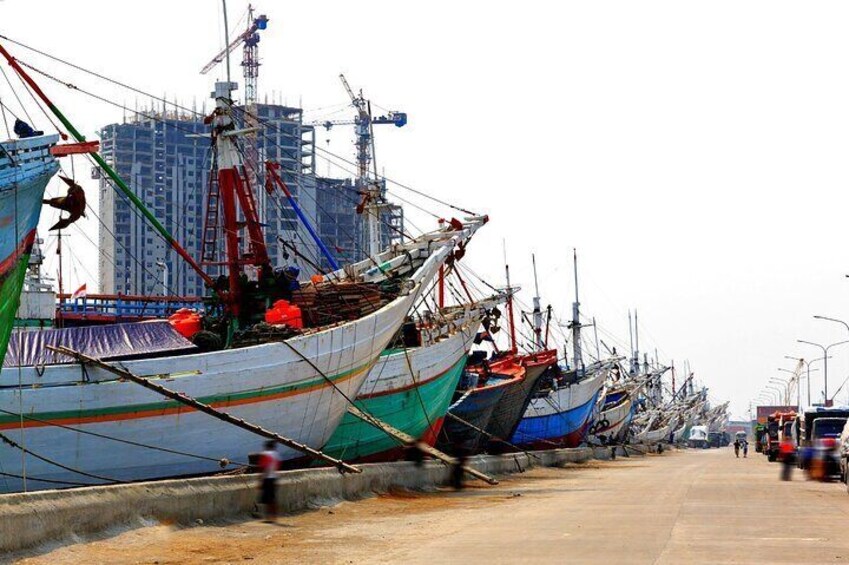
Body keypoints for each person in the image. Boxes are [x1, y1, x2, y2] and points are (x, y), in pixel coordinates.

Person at [258, 440, 281, 522]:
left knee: (267, 499)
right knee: (273, 498)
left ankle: (268, 517)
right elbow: (277, 466)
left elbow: (265, 467)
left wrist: (261, 479)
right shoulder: (276, 454)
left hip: (267, 478)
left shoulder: (266, 454)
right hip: (274, 477)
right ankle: (274, 516)